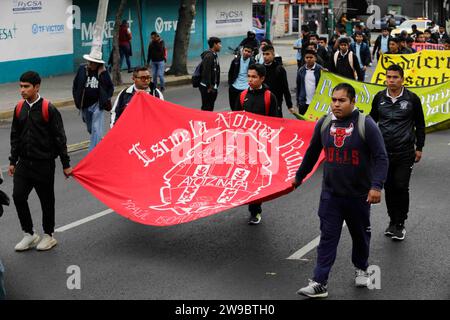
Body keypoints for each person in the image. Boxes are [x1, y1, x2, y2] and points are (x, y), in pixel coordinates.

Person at [294, 83, 389, 298]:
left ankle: (362, 268)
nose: (336, 104)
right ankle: (319, 282)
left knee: (360, 235)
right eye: (334, 100)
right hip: (331, 195)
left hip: (358, 195)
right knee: (328, 236)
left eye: (341, 100)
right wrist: (299, 177)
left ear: (353, 102)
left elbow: (381, 157)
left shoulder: (367, 124)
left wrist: (376, 186)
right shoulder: (325, 122)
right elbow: (312, 153)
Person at [9, 71, 73, 252]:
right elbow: (15, 136)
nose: (22, 90)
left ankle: (48, 235)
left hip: (43, 164)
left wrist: (65, 164)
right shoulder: (19, 108)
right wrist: (13, 161)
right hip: (24, 163)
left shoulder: (48, 109)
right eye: (21, 86)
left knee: (46, 201)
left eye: (26, 86)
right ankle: (29, 234)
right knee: (18, 196)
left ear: (36, 87)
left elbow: (60, 138)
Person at [370, 64, 425, 241]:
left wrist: (419, 148)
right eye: (388, 77)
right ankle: (392, 221)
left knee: (401, 186)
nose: (391, 80)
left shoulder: (412, 99)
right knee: (389, 188)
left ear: (402, 79)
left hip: (405, 152)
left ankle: (400, 223)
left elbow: (420, 125)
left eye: (395, 77)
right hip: (383, 153)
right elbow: (371, 122)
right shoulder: (379, 98)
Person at [235, 64, 278, 225]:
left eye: (254, 77)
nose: (250, 80)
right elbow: (235, 120)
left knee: (256, 180)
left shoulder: (269, 97)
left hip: (261, 147)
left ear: (262, 78)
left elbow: (275, 123)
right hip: (243, 145)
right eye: (249, 76)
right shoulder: (242, 96)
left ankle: (255, 211)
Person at [72, 50, 114, 152]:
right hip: (85, 105)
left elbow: (110, 87)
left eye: (92, 62)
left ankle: (93, 153)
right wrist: (76, 99)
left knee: (96, 128)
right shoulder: (82, 69)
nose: (89, 64)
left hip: (97, 104)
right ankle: (97, 140)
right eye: (89, 62)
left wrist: (105, 99)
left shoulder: (103, 72)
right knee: (91, 128)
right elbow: (75, 85)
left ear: (98, 63)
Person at [262, 45, 294, 116]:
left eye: (267, 54)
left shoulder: (279, 69)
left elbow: (285, 88)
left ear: (273, 55)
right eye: (263, 54)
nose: (265, 56)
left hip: (276, 101)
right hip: (262, 101)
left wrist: (289, 105)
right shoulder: (260, 68)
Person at [296, 50, 324, 115]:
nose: (309, 59)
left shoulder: (320, 69)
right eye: (307, 57)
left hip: (316, 103)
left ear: (315, 58)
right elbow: (298, 86)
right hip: (303, 102)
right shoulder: (301, 70)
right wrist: (298, 101)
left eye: (311, 57)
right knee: (303, 123)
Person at [227, 45, 255, 111]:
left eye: (249, 52)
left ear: (251, 53)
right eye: (245, 51)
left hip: (246, 88)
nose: (246, 53)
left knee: (244, 108)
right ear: (242, 51)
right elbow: (230, 72)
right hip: (234, 87)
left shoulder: (253, 63)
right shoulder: (235, 61)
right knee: (233, 107)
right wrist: (230, 84)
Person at [199, 37, 221, 111]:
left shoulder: (214, 55)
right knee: (206, 108)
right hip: (207, 87)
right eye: (219, 44)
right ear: (214, 44)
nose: (220, 46)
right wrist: (209, 87)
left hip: (212, 87)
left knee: (210, 107)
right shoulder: (209, 56)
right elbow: (206, 72)